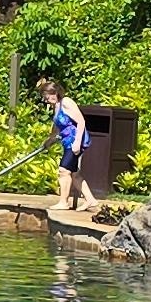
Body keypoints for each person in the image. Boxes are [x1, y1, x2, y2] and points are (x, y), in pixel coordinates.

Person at [40, 78, 100, 213]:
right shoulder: (56, 106)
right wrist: (49, 141)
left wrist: (77, 142)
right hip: (67, 142)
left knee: (64, 170)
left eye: (48, 96)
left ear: (55, 92)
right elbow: (57, 127)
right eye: (45, 98)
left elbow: (81, 121)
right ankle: (90, 200)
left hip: (74, 141)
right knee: (75, 174)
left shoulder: (66, 102)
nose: (47, 100)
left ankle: (63, 202)